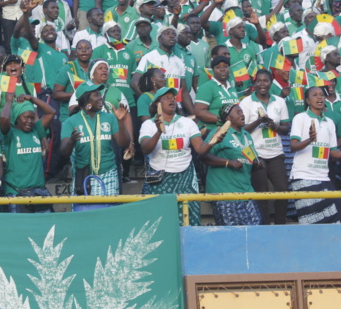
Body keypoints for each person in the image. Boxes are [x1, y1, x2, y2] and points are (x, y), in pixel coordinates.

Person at [140, 86, 216, 226]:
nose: (172, 100)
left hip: (185, 176)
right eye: (166, 98)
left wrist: (212, 141)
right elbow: (145, 149)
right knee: (162, 221)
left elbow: (200, 149)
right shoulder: (148, 124)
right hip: (160, 179)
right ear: (157, 103)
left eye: (173, 98)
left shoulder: (187, 123)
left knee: (190, 218)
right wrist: (158, 132)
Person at [289, 85, 341, 224]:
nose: (319, 97)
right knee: (311, 222)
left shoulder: (330, 123)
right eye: (315, 95)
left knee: (339, 217)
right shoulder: (300, 118)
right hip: (303, 176)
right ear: (308, 101)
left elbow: (333, 152)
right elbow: (293, 146)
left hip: (323, 177)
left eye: (321, 94)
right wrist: (309, 140)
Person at [240, 69, 290, 224]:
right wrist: (259, 121)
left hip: (276, 153)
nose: (262, 84)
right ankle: (264, 226)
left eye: (266, 81)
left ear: (271, 82)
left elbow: (286, 128)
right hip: (256, 154)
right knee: (262, 193)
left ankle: (280, 224)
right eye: (259, 81)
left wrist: (274, 126)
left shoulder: (279, 101)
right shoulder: (246, 102)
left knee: (283, 190)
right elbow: (241, 129)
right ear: (254, 83)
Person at [61, 82, 129, 197]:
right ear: (86, 101)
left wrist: (121, 122)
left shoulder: (110, 118)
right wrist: (71, 141)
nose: (101, 98)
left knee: (108, 208)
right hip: (83, 176)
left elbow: (123, 144)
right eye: (96, 95)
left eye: (100, 94)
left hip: (108, 174)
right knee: (84, 209)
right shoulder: (71, 121)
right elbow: (63, 152)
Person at [202, 103, 262, 226]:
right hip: (224, 192)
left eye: (242, 112)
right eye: (238, 112)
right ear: (228, 118)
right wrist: (228, 162)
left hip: (246, 190)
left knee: (257, 225)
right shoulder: (220, 133)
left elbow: (250, 158)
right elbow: (203, 157)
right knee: (231, 231)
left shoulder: (246, 135)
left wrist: (257, 164)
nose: (242, 115)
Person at [0, 91, 56, 213]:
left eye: (32, 118)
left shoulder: (36, 130)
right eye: (26, 117)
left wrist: (32, 99)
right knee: (21, 226)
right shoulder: (10, 134)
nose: (30, 121)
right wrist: (9, 101)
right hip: (17, 193)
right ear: (17, 118)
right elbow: (4, 118)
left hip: (39, 193)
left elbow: (51, 112)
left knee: (46, 225)